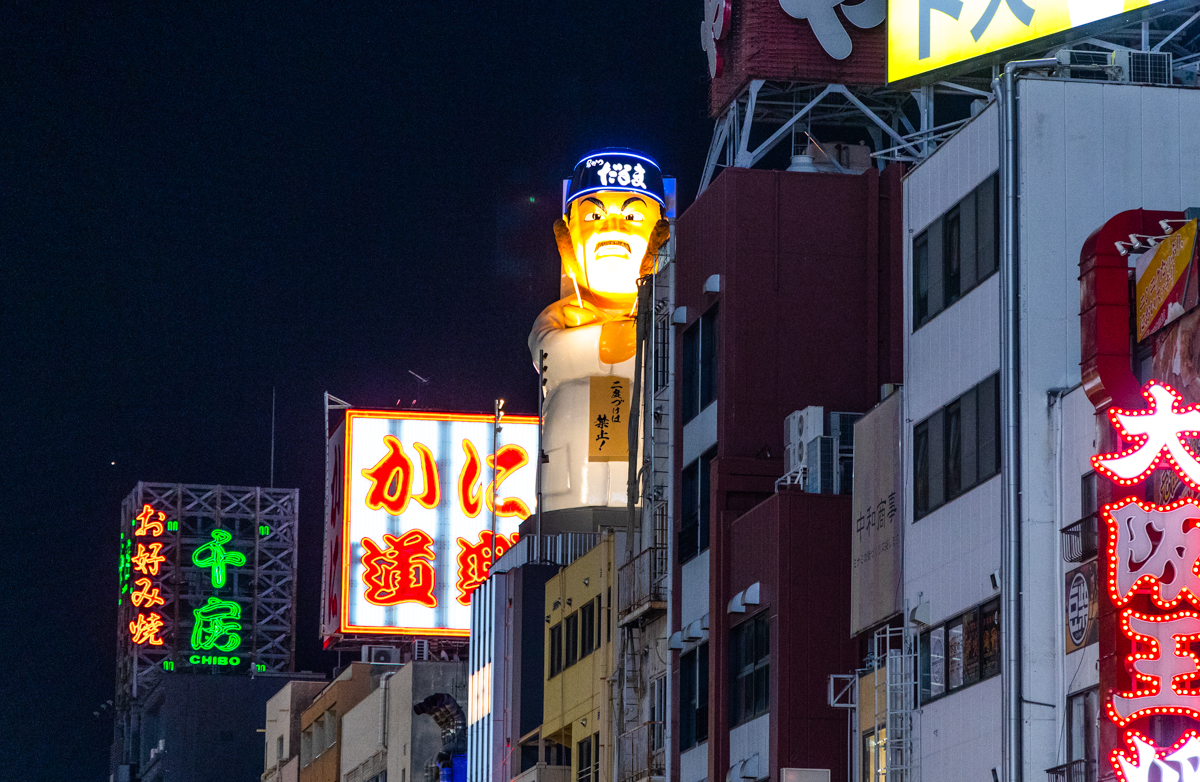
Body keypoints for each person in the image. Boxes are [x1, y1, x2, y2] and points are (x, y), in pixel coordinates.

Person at [529, 149, 670, 511]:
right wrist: (609, 341)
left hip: (643, 487)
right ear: (569, 235)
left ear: (659, 235)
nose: (612, 229)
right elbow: (547, 353)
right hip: (568, 487)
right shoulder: (562, 313)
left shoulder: (666, 314)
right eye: (594, 216)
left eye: (631, 216)